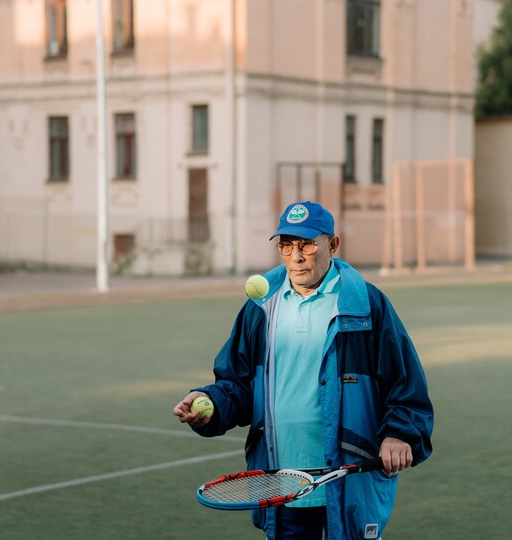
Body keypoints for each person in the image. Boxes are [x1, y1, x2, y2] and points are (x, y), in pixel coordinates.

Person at [173, 201, 434, 540]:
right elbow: (237, 383)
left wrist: (400, 433)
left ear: (333, 245)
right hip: (281, 483)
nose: (296, 256)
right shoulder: (261, 308)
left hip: (347, 480)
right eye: (286, 244)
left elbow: (406, 383)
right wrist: (210, 402)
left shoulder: (365, 303)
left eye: (307, 244)